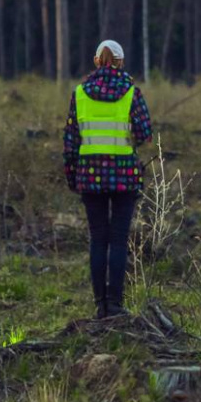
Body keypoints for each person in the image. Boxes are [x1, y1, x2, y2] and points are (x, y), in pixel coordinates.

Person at [64, 40, 153, 319]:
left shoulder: (79, 93)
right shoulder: (131, 92)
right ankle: (115, 304)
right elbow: (145, 132)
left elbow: (70, 142)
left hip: (89, 177)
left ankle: (99, 305)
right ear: (120, 62)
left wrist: (73, 177)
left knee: (97, 239)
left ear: (96, 60)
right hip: (125, 176)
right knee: (118, 239)